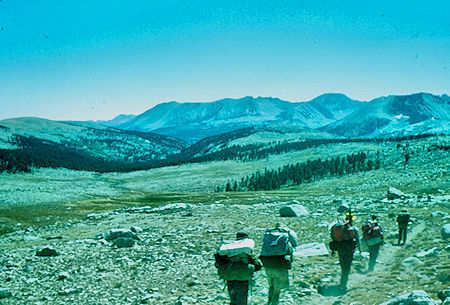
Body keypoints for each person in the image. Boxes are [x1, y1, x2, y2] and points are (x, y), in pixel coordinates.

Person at [215, 231, 262, 305]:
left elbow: (218, 263)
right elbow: (258, 266)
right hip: (242, 278)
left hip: (229, 277)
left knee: (233, 299)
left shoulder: (229, 249)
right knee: (242, 298)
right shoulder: (246, 251)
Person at [260, 224, 298, 305]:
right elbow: (295, 243)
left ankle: (269, 301)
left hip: (267, 263)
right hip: (280, 263)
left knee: (271, 284)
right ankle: (274, 303)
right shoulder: (287, 232)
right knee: (278, 287)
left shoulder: (268, 233)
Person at [330, 211, 360, 291]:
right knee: (347, 266)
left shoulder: (339, 227)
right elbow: (357, 240)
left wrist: (333, 250)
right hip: (349, 250)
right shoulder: (352, 229)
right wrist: (360, 250)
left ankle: (342, 282)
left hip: (340, 249)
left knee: (343, 265)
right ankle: (344, 284)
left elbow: (333, 238)